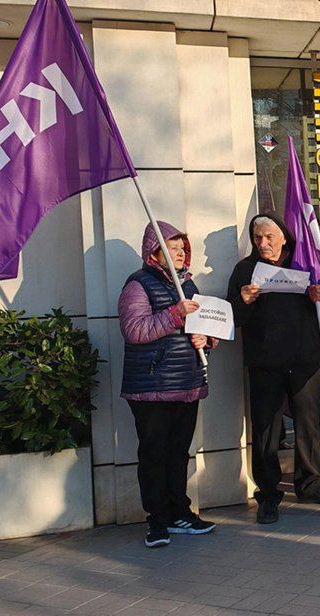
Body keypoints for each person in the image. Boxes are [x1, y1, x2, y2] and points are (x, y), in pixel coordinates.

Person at [227, 214, 320, 525]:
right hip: (265, 363)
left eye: (269, 237)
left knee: (308, 425)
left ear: (284, 237)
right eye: (257, 238)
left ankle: (310, 484)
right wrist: (242, 300)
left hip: (304, 361)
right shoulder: (244, 270)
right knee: (266, 430)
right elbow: (233, 319)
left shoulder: (305, 265)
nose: (263, 243)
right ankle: (268, 496)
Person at [119, 221, 218, 548]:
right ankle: (157, 521)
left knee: (178, 454)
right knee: (154, 454)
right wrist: (175, 314)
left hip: (187, 384)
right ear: (154, 251)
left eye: (182, 247)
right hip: (151, 386)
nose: (180, 252)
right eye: (172, 247)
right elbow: (135, 330)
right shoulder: (138, 284)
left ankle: (180, 513)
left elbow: (202, 330)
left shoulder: (189, 286)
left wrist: (207, 339)